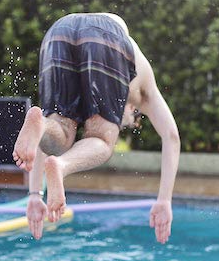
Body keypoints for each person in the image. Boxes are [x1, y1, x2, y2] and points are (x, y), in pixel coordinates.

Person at [12, 13, 180, 243]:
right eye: (126, 121)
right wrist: (164, 200)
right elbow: (171, 136)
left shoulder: (92, 89)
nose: (120, 121)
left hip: (59, 30)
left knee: (58, 129)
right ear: (132, 109)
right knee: (102, 140)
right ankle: (62, 166)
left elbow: (40, 147)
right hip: (106, 34)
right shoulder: (143, 92)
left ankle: (41, 123)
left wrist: (34, 195)